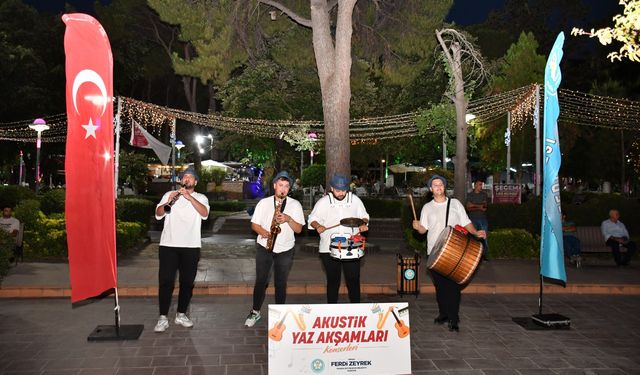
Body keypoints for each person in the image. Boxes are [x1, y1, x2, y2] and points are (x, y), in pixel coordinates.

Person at [412, 175, 486, 332]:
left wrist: (476, 232)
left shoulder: (455, 204)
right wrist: (417, 226)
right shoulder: (427, 208)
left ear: (444, 187)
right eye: (435, 185)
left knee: (453, 286)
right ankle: (443, 313)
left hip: (454, 250)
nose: (438, 187)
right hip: (434, 252)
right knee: (440, 287)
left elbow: (466, 222)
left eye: (441, 184)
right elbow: (423, 230)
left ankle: (453, 318)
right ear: (431, 189)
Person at [244, 171, 305, 327]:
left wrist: (288, 219)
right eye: (280, 185)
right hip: (265, 246)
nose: (283, 189)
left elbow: (298, 230)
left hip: (285, 249)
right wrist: (263, 232)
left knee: (280, 282)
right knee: (261, 281)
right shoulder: (264, 203)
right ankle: (255, 312)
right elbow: (254, 225)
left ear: (289, 188)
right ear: (274, 186)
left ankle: (280, 315)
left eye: (286, 186)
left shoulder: (295, 205)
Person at [154, 168, 210, 332]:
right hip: (168, 245)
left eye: (191, 177)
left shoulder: (201, 197)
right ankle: (163, 317)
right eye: (184, 176)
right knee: (165, 282)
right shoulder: (169, 195)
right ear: (180, 180)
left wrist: (189, 197)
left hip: (191, 246)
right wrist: (168, 202)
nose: (187, 179)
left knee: (187, 283)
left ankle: (181, 314)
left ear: (195, 182)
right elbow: (158, 214)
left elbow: (205, 213)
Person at [308, 174, 369, 303]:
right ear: (331, 188)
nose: (341, 193)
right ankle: (332, 309)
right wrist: (317, 225)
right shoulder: (323, 202)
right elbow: (312, 219)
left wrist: (363, 223)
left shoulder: (355, 200)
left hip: (351, 245)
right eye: (337, 190)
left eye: (343, 190)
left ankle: (356, 310)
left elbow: (364, 216)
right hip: (328, 247)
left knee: (353, 279)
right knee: (333, 280)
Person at [466, 179, 489, 261]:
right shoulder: (470, 195)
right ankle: (472, 255)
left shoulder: (484, 195)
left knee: (484, 237)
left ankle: (484, 255)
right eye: (479, 184)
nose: (481, 186)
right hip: (472, 220)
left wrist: (474, 205)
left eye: (481, 184)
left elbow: (484, 207)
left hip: (482, 219)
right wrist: (479, 206)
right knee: (473, 238)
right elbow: (468, 207)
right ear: (475, 185)